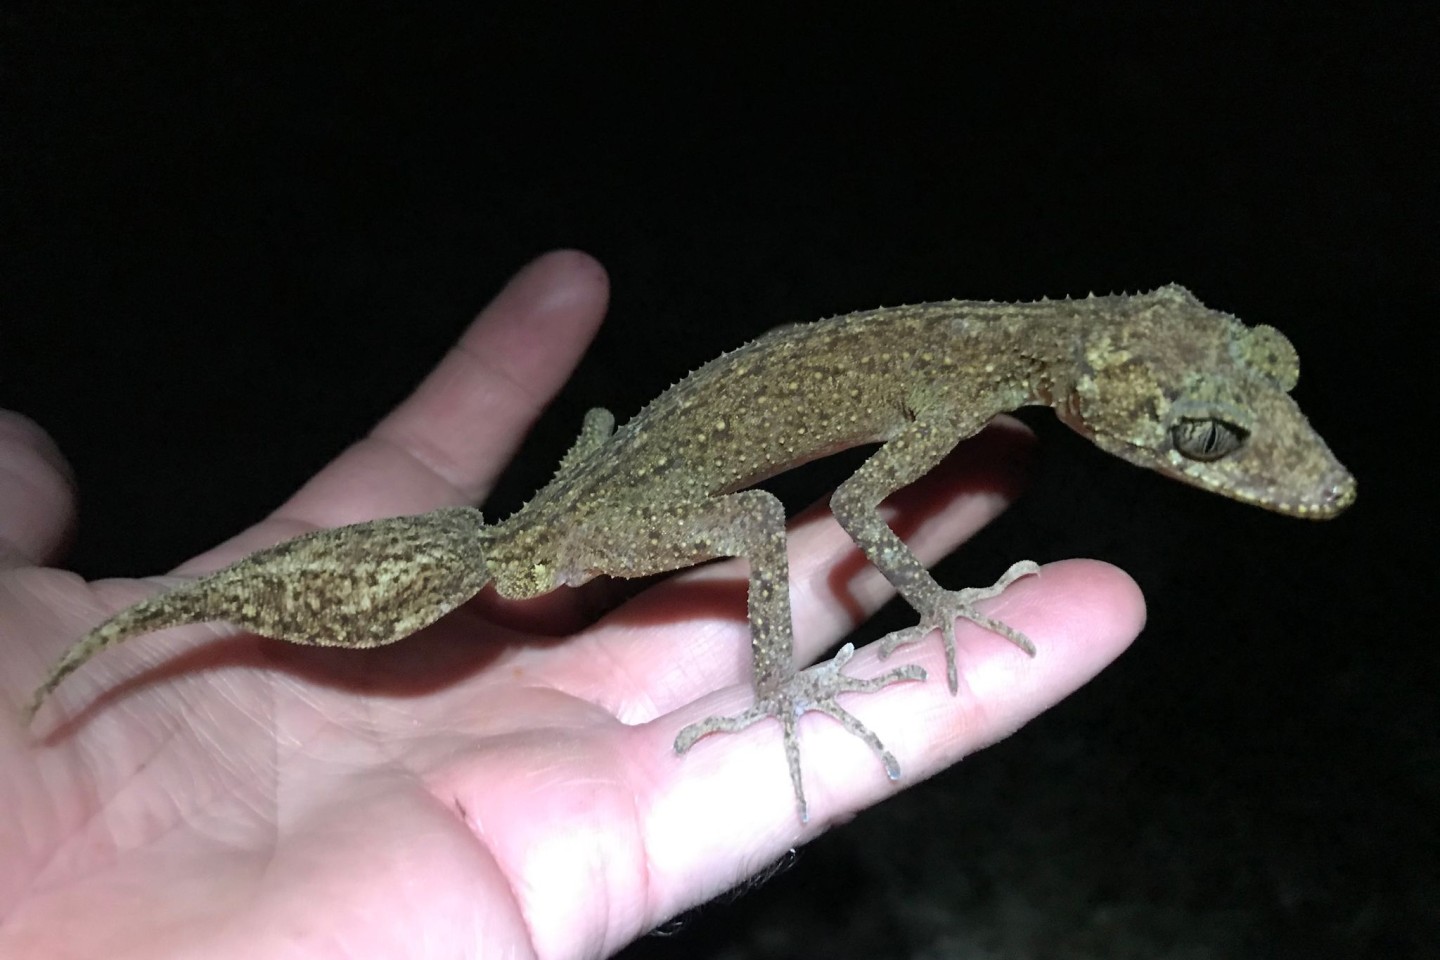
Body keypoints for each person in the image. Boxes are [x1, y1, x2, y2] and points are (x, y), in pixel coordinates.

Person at [0, 250, 1142, 959]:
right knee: (751, 524)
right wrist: (929, 606)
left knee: (620, 496)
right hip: (596, 516)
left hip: (606, 488)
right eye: (1192, 432)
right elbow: (847, 501)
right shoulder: (976, 369)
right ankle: (779, 688)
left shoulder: (982, 349)